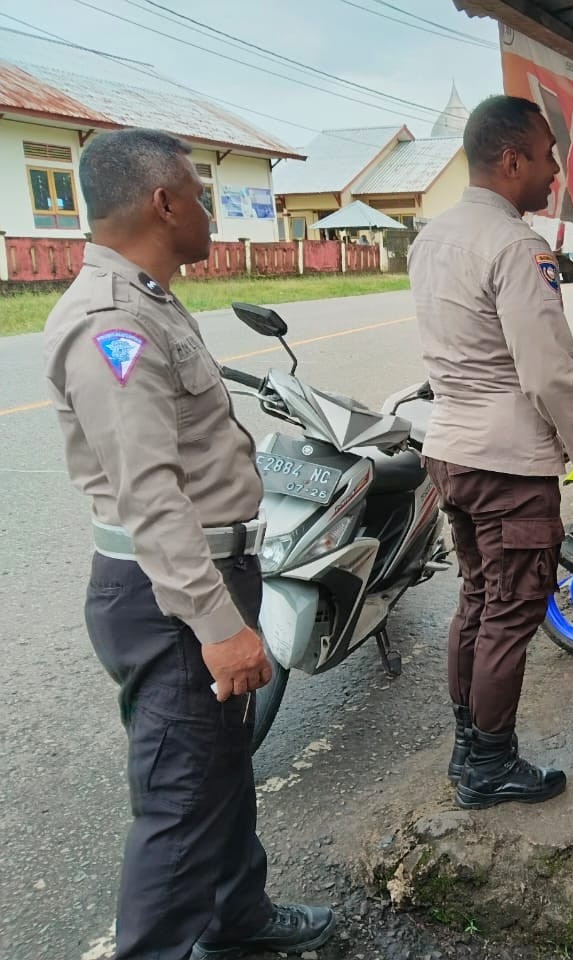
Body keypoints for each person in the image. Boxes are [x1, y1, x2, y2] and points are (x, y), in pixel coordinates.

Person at [42, 129, 334, 960]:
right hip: (171, 593)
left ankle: (236, 921)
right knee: (178, 804)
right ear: (162, 202)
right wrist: (216, 623)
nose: (210, 212)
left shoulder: (149, 300)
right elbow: (148, 496)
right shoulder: (111, 324)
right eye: (199, 195)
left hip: (203, 572)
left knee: (218, 768)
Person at [408, 95, 573, 809]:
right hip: (508, 462)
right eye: (549, 156)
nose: (556, 172)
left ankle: (470, 743)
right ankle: (489, 764)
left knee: (477, 597)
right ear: (511, 159)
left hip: (452, 450)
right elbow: (547, 370)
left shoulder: (432, 236)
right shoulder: (517, 245)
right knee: (513, 608)